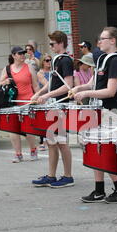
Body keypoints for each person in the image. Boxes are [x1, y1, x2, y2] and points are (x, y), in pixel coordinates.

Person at [70, 27, 117, 203]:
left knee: (105, 152)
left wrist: (86, 95)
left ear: (112, 41)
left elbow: (111, 91)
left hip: (109, 112)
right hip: (97, 111)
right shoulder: (103, 59)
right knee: (96, 150)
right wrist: (79, 88)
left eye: (103, 38)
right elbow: (93, 83)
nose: (99, 42)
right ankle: (99, 190)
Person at [30, 31, 75, 188]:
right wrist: (39, 93)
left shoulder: (66, 61)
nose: (50, 46)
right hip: (54, 104)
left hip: (62, 105)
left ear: (61, 43)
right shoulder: (57, 60)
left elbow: (68, 85)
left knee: (61, 142)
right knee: (51, 141)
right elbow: (53, 82)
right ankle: (51, 175)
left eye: (52, 44)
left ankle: (68, 176)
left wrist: (47, 94)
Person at [0, 47, 40, 162]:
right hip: (12, 101)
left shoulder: (29, 67)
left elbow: (35, 85)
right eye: (20, 53)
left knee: (28, 128)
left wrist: (39, 97)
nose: (22, 55)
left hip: (28, 100)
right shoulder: (7, 69)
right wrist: (5, 81)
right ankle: (18, 154)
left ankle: (33, 150)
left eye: (23, 53)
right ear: (13, 55)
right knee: (13, 129)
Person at [36, 54, 52, 151]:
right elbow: (47, 84)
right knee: (44, 120)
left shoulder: (54, 71)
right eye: (47, 60)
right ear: (42, 62)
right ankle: (42, 141)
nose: (49, 62)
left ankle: (50, 139)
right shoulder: (40, 73)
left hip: (53, 97)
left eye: (50, 60)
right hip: (44, 98)